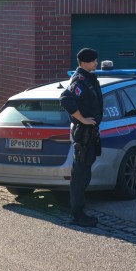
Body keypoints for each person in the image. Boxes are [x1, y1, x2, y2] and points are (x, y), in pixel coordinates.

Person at [60, 48, 103, 227]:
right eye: (94, 61)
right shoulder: (79, 80)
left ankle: (81, 211)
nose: (96, 63)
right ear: (85, 62)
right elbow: (66, 99)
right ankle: (78, 215)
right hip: (82, 134)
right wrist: (82, 119)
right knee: (79, 175)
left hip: (89, 134)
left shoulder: (89, 78)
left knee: (85, 173)